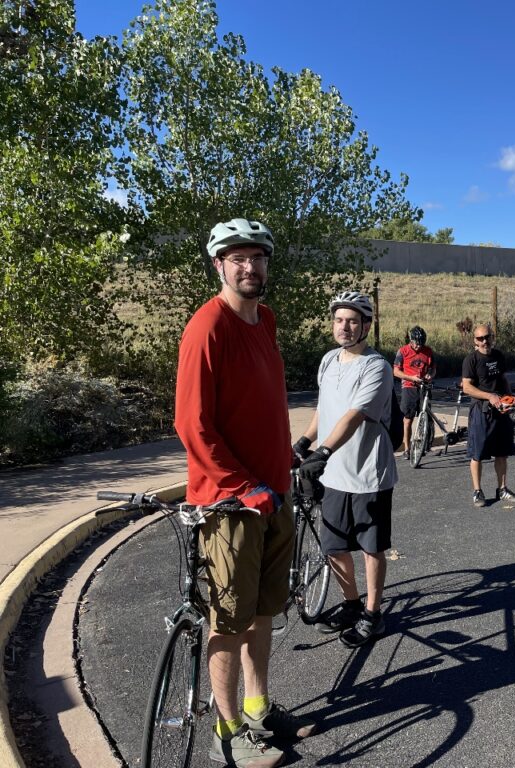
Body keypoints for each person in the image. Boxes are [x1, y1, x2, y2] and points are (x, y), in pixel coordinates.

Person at [175, 217, 312, 768]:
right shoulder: (207, 327)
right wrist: (243, 486)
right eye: (237, 258)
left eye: (256, 257)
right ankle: (227, 730)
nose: (249, 266)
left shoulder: (266, 321)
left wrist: (283, 471)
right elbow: (192, 424)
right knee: (228, 620)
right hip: (231, 504)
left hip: (273, 496)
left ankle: (257, 707)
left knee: (262, 613)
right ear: (219, 265)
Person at [296, 291, 398, 648]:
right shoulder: (328, 361)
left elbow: (355, 415)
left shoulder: (376, 367)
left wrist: (323, 450)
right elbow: (325, 410)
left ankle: (373, 613)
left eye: (353, 321)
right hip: (333, 473)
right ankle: (352, 604)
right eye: (339, 320)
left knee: (371, 547)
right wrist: (305, 442)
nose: (344, 326)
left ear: (366, 326)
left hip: (368, 471)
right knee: (334, 545)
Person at [462, 323, 515, 508]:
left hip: (501, 412)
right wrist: (490, 396)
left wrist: (511, 397)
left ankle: (502, 489)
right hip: (482, 411)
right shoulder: (471, 360)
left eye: (487, 337)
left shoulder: (498, 356)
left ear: (492, 337)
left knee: (502, 453)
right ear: (475, 341)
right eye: (480, 338)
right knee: (477, 454)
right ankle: (477, 492)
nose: (484, 341)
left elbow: (503, 379)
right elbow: (466, 387)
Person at [393, 325, 436, 457]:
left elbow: (433, 368)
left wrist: (430, 375)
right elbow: (395, 371)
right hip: (409, 386)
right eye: (416, 344)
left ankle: (425, 445)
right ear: (411, 341)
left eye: (421, 344)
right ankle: (407, 448)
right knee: (408, 418)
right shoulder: (403, 351)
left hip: (424, 386)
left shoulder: (428, 351)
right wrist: (410, 377)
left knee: (426, 417)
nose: (419, 347)